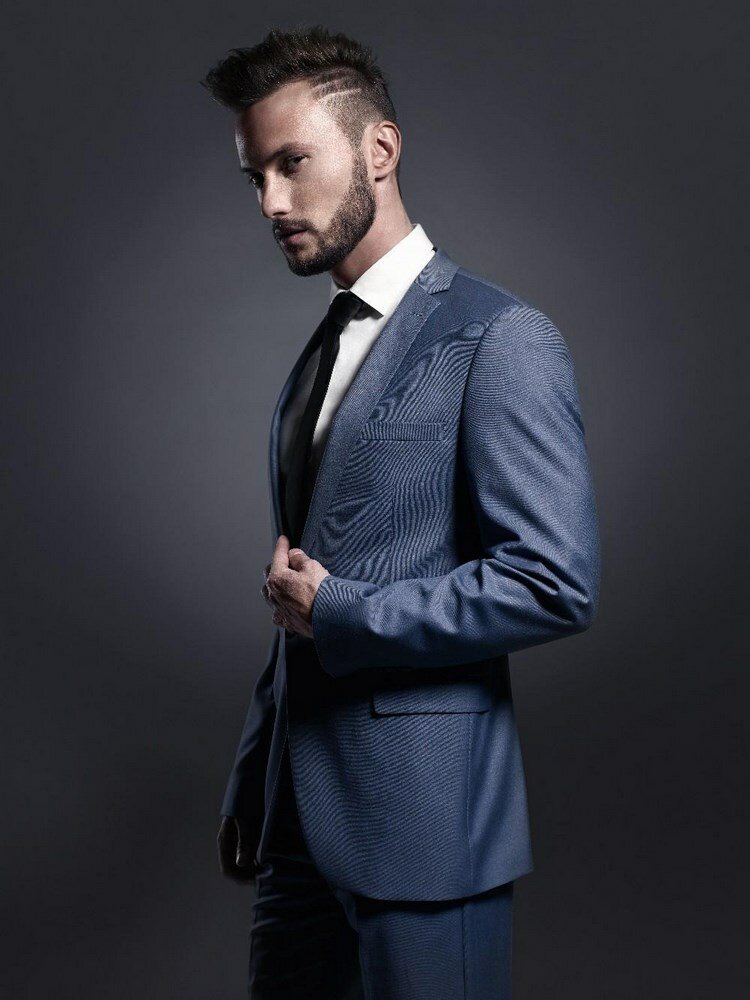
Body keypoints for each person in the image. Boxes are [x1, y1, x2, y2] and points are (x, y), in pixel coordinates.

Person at [201, 24, 600, 1000]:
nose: (272, 202)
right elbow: (304, 584)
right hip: (295, 824)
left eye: (293, 164)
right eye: (256, 176)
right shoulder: (325, 348)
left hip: (423, 829)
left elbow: (553, 582)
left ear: (378, 149)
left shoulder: (500, 337)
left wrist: (342, 609)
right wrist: (256, 775)